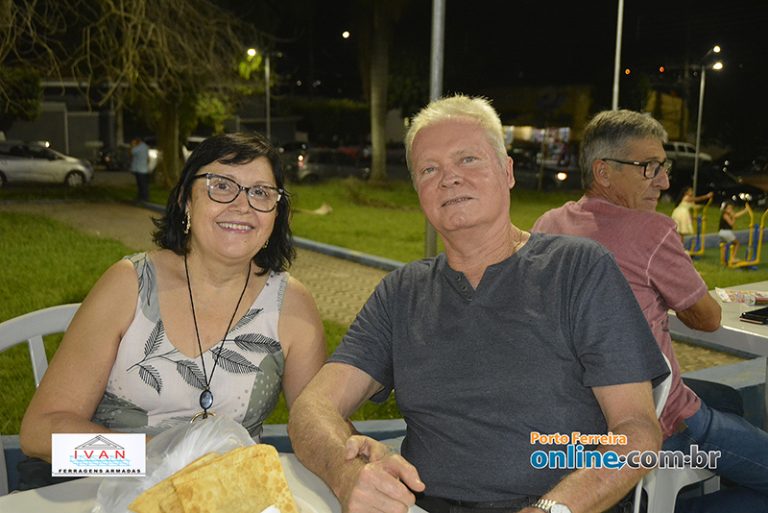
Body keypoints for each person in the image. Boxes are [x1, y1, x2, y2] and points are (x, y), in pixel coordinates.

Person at [288, 96, 668, 513]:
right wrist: (347, 475)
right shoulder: (402, 292)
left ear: (507, 172)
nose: (449, 179)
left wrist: (550, 509)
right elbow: (312, 408)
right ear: (419, 192)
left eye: (468, 159)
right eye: (429, 170)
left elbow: (637, 430)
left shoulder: (578, 269)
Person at [20, 133, 325, 468]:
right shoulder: (129, 285)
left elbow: (317, 429)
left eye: (261, 192)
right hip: (112, 485)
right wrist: (159, 457)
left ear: (276, 213)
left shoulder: (292, 304)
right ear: (185, 200)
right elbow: (38, 434)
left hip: (230, 491)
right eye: (221, 186)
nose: (242, 206)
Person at [533, 109, 768, 512]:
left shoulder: (548, 224)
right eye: (649, 168)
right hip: (654, 420)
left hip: (576, 419)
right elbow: (708, 318)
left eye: (664, 167)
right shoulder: (651, 231)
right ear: (604, 172)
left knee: (727, 400)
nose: (664, 181)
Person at [130, 137, 151, 202]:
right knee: (142, 184)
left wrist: (133, 146)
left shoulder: (140, 147)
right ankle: (142, 197)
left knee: (142, 185)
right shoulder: (144, 147)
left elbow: (132, 152)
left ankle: (143, 197)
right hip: (142, 168)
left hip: (140, 169)